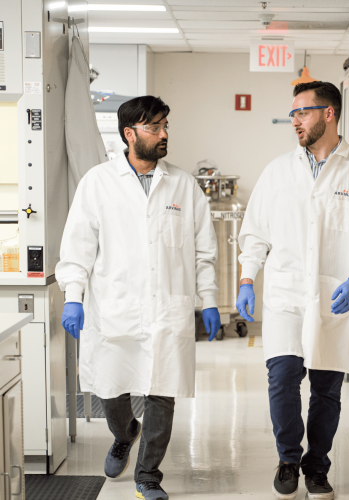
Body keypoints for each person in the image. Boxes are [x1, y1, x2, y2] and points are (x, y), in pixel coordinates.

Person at [56, 95, 221, 500]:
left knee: (162, 392)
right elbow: (78, 246)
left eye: (166, 125)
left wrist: (210, 298)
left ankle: (149, 475)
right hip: (113, 308)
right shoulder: (97, 182)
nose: (164, 134)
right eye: (155, 127)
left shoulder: (183, 184)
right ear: (130, 134)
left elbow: (204, 250)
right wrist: (73, 294)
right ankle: (125, 433)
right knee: (111, 391)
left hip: (167, 310)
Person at [236, 81, 349, 500]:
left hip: (335, 296)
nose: (295, 121)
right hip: (286, 295)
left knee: (326, 389)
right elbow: (256, 233)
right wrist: (248, 277)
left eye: (302, 112)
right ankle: (289, 459)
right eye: (293, 113)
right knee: (282, 379)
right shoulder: (278, 171)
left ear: (329, 113)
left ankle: (317, 467)